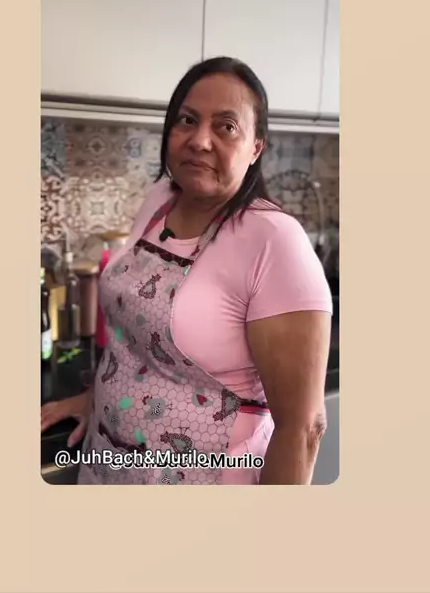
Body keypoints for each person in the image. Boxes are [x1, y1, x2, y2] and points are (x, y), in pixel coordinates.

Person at [41, 56, 332, 484]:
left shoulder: (274, 240)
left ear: (256, 147)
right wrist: (95, 396)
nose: (200, 140)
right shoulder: (161, 197)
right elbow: (133, 340)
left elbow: (303, 430)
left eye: (226, 126)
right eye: (187, 120)